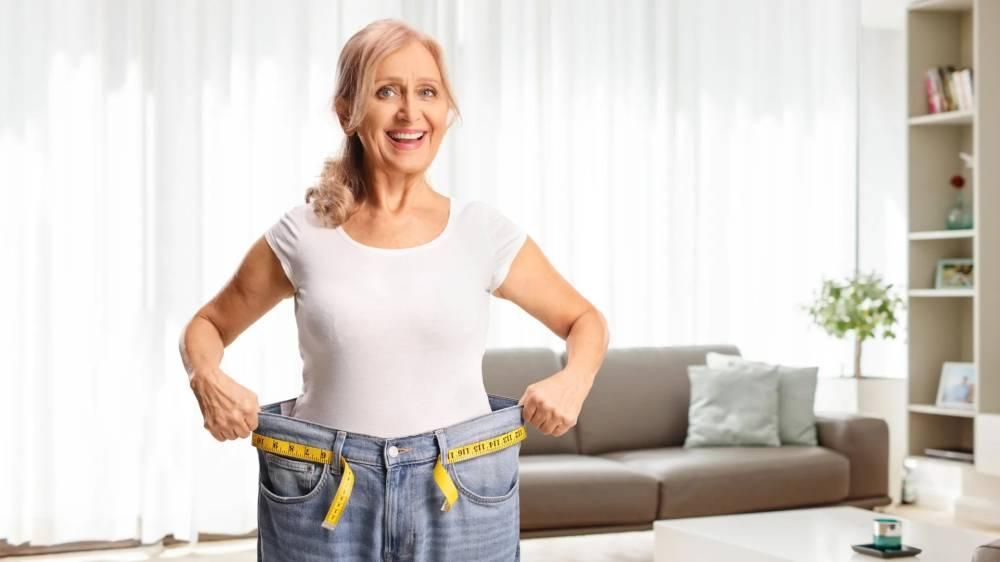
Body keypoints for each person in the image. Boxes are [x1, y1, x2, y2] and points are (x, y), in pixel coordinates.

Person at [178, 18, 609, 561]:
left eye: (427, 92)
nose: (410, 112)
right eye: (386, 92)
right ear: (347, 112)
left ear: (446, 111)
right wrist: (206, 376)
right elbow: (208, 325)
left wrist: (575, 378)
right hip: (325, 497)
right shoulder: (303, 234)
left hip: (460, 495)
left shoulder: (482, 232)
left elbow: (585, 321)